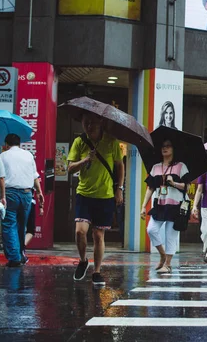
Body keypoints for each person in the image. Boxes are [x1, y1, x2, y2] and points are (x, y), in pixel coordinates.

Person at [67, 113, 125, 286]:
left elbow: (119, 166)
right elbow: (69, 168)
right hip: (84, 194)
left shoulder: (111, 142)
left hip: (105, 196)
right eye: (86, 122)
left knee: (98, 235)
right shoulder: (79, 142)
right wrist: (85, 160)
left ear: (101, 122)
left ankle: (97, 271)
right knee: (80, 231)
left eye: (93, 122)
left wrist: (119, 189)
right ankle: (83, 260)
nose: (89, 125)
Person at [140, 139, 190, 274]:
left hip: (176, 205)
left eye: (168, 146)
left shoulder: (181, 166)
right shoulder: (156, 167)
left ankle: (167, 264)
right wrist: (144, 206)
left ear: (174, 149)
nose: (165, 148)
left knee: (170, 235)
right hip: (160, 205)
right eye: (163, 146)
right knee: (151, 229)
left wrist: (174, 183)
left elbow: (187, 186)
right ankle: (162, 255)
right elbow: (150, 188)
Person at [0, 134, 43, 267]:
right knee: (21, 225)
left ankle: (14, 257)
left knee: (9, 224)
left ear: (7, 144)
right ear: (19, 144)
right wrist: (40, 193)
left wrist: (1, 195)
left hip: (10, 193)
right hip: (27, 194)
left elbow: (1, 177)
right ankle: (20, 254)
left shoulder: (3, 156)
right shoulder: (28, 155)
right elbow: (35, 176)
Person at [23, 174, 43, 264]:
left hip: (15, 200)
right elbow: (39, 192)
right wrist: (41, 207)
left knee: (16, 227)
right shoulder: (33, 173)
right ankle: (21, 248)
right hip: (30, 201)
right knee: (30, 230)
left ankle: (18, 249)